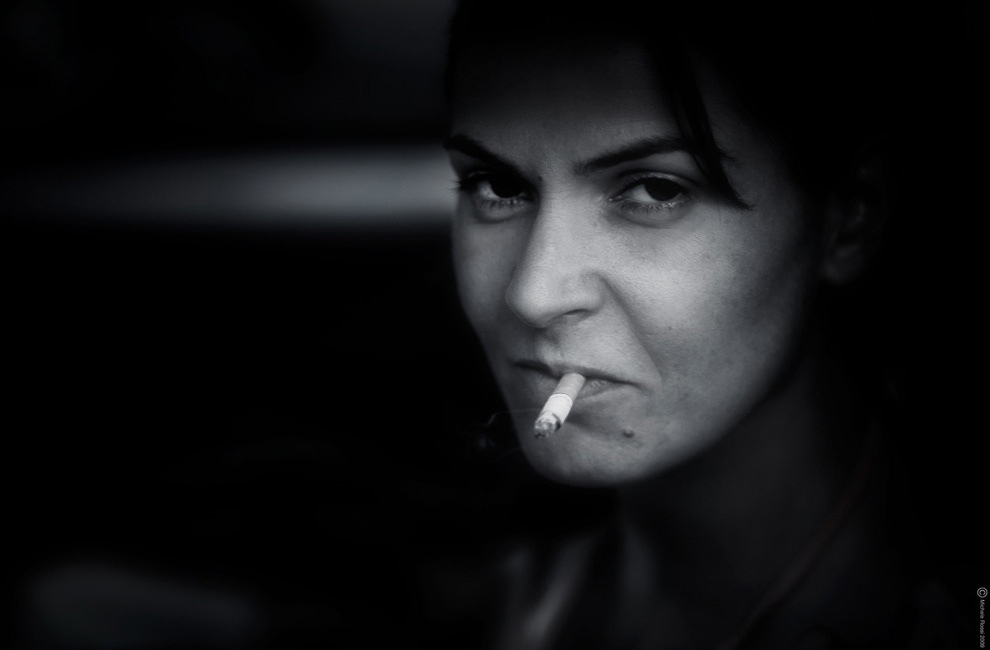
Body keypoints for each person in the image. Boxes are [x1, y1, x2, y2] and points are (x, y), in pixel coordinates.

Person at [441, 0, 977, 648]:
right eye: (497, 185)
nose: (532, 295)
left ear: (848, 218)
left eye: (657, 190)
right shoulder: (482, 600)